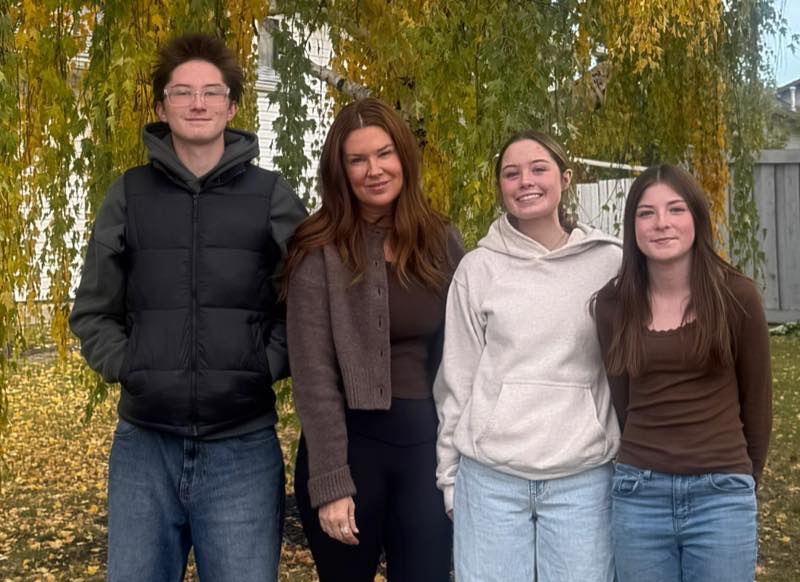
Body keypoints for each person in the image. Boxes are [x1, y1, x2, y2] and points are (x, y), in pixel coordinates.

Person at [69, 33, 307, 582]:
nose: (197, 103)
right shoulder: (127, 195)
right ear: (161, 107)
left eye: (211, 92)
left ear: (232, 106)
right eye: (182, 92)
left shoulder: (271, 196)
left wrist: (263, 364)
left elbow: (306, 306)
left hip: (242, 448)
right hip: (145, 448)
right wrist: (131, 366)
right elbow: (93, 310)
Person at [285, 97, 464, 582]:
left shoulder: (441, 240)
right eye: (358, 159)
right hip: (349, 451)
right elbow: (313, 375)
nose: (374, 170)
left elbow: (467, 353)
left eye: (384, 153)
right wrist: (331, 483)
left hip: (425, 451)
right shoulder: (317, 248)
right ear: (340, 170)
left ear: (403, 156)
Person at [434, 130, 621, 582]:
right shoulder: (477, 269)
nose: (526, 182)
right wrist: (450, 477)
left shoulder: (610, 263)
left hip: (583, 478)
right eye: (511, 173)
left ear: (566, 178)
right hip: (491, 481)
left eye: (539, 169)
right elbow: (457, 380)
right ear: (500, 186)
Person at [592, 164, 772, 582]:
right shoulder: (612, 305)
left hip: (721, 496)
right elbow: (622, 401)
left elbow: (758, 403)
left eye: (675, 209)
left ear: (697, 218)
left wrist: (743, 479)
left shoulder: (737, 297)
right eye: (647, 213)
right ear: (632, 226)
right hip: (639, 495)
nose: (662, 223)